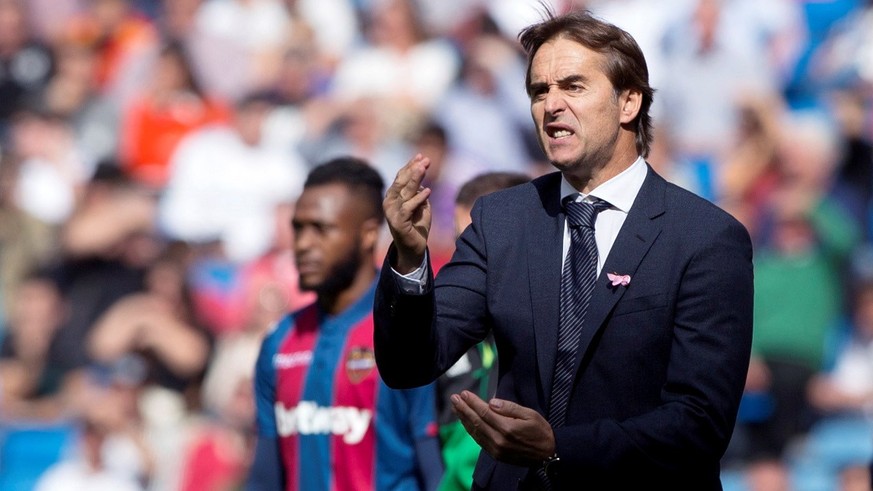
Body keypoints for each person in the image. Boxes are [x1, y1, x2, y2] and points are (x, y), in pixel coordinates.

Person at [375, 9, 754, 490]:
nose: (550, 105)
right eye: (538, 91)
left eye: (573, 86)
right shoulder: (501, 220)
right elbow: (411, 363)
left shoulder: (704, 237)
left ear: (629, 102)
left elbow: (700, 423)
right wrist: (409, 259)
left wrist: (558, 447)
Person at [246, 157, 443, 491]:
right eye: (298, 228)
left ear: (368, 234)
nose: (304, 244)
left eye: (321, 229)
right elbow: (265, 477)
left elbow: (436, 469)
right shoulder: (279, 341)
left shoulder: (408, 330)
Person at [436, 171, 529, 491]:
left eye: (476, 244)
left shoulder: (562, 333)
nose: (465, 260)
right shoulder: (443, 336)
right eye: (460, 245)